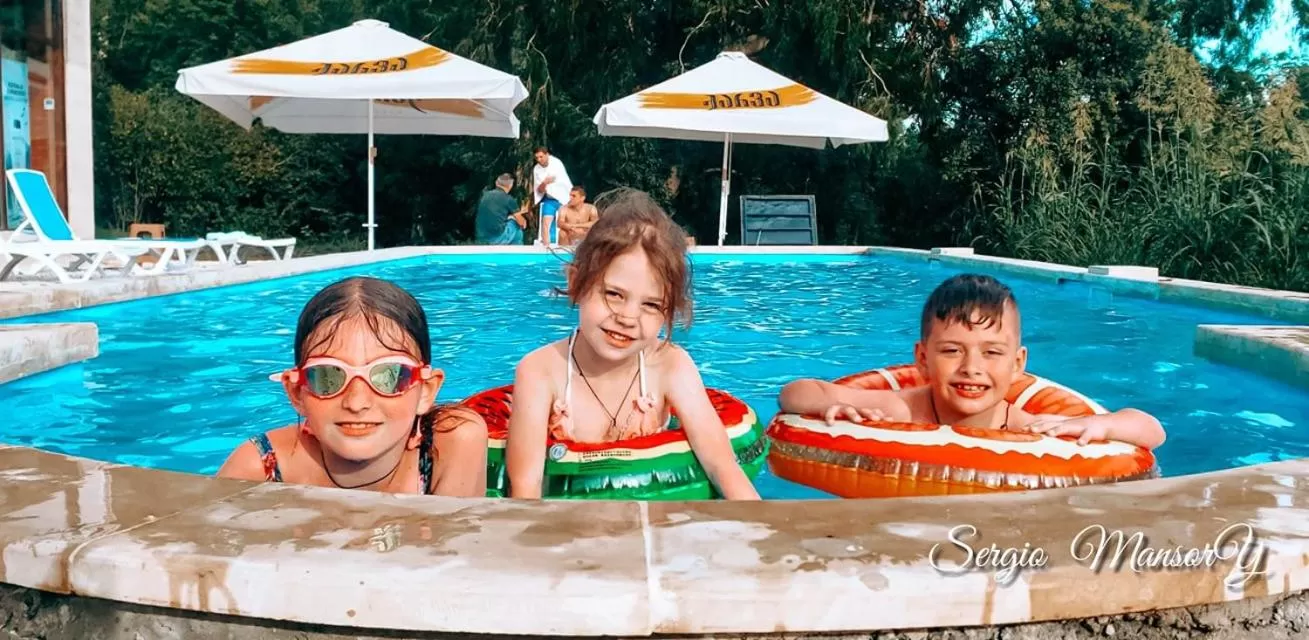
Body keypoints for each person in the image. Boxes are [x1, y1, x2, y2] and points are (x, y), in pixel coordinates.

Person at [505, 188, 761, 499]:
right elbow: (526, 489)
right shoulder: (541, 371)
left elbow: (722, 468)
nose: (628, 317)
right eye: (613, 294)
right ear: (576, 283)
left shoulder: (670, 365)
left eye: (651, 305)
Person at [777, 273, 1166, 449]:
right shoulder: (900, 409)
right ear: (922, 359)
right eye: (951, 350)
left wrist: (1098, 424)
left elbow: (1151, 431)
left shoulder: (1028, 427)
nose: (971, 367)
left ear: (1018, 364)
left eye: (992, 352)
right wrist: (840, 406)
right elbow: (796, 393)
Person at [217, 276, 489, 496]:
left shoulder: (451, 442)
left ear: (426, 390)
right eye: (328, 377)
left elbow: (454, 557)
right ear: (297, 391)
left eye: (389, 376)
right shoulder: (259, 469)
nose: (357, 402)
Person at [530, 146, 573, 247]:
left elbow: (559, 180)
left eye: (541, 157)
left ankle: (569, 245)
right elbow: (539, 189)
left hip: (564, 198)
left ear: (547, 155)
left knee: (567, 222)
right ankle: (546, 246)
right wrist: (545, 182)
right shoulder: (536, 169)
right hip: (550, 199)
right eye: (537, 158)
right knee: (545, 222)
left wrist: (548, 183)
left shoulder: (556, 163)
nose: (539, 160)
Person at [475, 174, 528, 245]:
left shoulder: (484, 195)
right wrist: (521, 218)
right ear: (510, 186)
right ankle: (517, 252)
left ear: (496, 183)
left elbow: (492, 215)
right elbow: (522, 224)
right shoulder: (508, 199)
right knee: (516, 224)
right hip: (497, 238)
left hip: (481, 237)